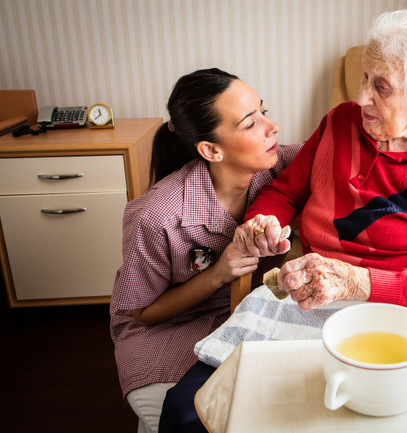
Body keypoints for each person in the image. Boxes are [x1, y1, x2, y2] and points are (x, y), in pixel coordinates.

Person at [235, 7, 407, 318]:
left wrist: (359, 282)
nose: (361, 98)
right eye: (365, 77)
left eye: (381, 87)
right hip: (312, 295)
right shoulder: (340, 122)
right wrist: (264, 223)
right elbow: (285, 193)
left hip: (395, 311)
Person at [109, 68, 301, 433]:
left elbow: (337, 142)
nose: (272, 126)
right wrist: (219, 273)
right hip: (165, 328)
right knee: (201, 415)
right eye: (250, 123)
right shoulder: (155, 216)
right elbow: (143, 312)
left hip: (243, 310)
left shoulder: (279, 168)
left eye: (264, 110)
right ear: (211, 149)